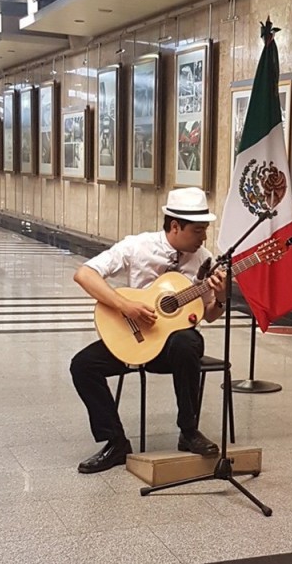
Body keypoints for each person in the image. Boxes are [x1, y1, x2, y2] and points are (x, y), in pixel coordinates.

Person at [70, 187, 228, 474]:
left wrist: (220, 297)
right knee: (82, 366)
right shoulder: (137, 246)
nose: (204, 237)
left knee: (187, 341)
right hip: (135, 338)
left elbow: (212, 315)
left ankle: (189, 431)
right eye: (197, 231)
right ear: (175, 226)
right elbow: (84, 274)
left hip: (173, 350)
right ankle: (115, 442)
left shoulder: (204, 260)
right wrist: (125, 305)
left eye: (205, 230)